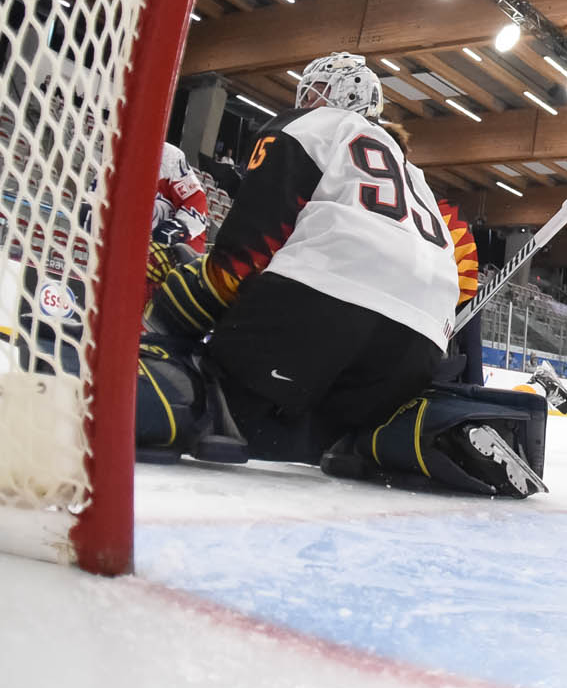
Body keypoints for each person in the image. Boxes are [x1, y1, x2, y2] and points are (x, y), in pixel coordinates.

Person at [140, 53, 544, 496]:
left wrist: (190, 298)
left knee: (204, 365)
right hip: (417, 345)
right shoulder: (417, 178)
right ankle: (416, 433)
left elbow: (250, 240)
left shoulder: (310, 126)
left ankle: (176, 400)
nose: (305, 99)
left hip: (321, 305)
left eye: (313, 91)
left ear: (335, 95)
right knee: (340, 424)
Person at [148, 141, 210, 288]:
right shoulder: (114, 152)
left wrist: (179, 227)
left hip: (175, 262)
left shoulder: (169, 156)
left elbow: (196, 200)